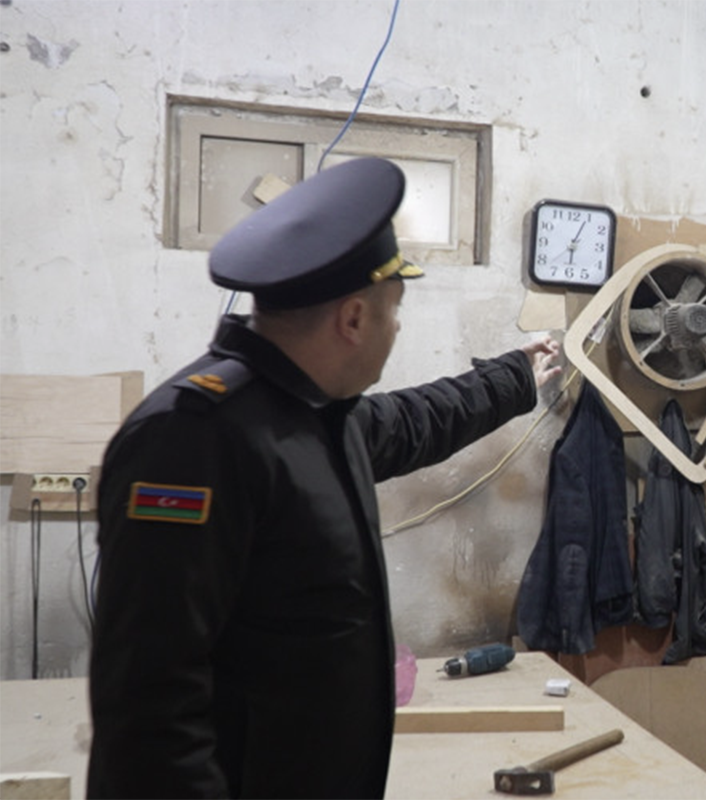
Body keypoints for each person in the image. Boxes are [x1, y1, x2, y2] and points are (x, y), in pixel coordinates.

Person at [87, 157, 561, 799]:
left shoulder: (313, 416)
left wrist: (511, 379)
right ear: (354, 319)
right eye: (395, 310)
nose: (397, 327)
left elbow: (413, 420)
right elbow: (150, 706)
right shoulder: (191, 440)